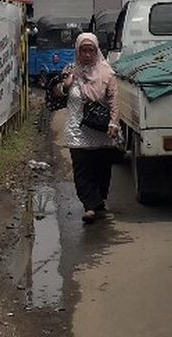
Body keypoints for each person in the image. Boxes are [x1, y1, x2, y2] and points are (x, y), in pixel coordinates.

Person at [53, 32, 121, 223]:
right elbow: (55, 96)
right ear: (78, 51)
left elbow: (114, 99)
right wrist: (65, 86)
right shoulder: (70, 70)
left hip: (101, 130)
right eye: (84, 50)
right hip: (77, 130)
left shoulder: (107, 72)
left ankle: (100, 200)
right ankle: (89, 206)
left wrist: (114, 122)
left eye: (91, 50)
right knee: (82, 169)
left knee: (102, 168)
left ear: (97, 50)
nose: (87, 55)